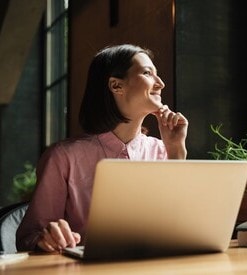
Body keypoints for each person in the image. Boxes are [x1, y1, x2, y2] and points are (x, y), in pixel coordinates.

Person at [16, 44, 188, 252]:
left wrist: (177, 150)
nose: (160, 83)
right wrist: (47, 239)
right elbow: (28, 238)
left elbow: (182, 227)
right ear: (116, 86)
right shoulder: (63, 157)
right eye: (147, 73)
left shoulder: (164, 151)